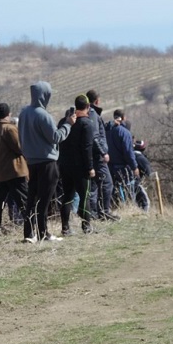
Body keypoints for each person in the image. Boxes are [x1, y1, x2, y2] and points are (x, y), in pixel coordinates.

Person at [18, 81, 75, 243]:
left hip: (31, 162)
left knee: (32, 199)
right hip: (47, 163)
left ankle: (29, 234)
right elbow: (56, 137)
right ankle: (43, 233)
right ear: (45, 96)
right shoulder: (43, 115)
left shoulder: (24, 113)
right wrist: (68, 125)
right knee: (45, 199)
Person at [0, 103, 29, 235]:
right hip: (14, 170)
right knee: (24, 200)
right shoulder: (10, 129)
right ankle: (31, 225)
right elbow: (20, 147)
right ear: (8, 114)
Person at [58, 95, 96, 235]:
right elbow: (87, 148)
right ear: (87, 107)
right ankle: (86, 226)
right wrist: (90, 167)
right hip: (80, 168)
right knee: (84, 196)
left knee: (67, 196)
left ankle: (65, 228)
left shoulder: (65, 121)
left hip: (65, 165)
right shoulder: (87, 124)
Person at [85, 89, 118, 221]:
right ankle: (104, 212)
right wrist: (103, 152)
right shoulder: (93, 114)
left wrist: (110, 125)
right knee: (107, 184)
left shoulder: (89, 113)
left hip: (92, 156)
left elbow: (99, 129)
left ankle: (93, 213)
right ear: (97, 100)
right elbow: (94, 136)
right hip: (98, 156)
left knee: (93, 186)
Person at [105, 109, 140, 207]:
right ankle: (129, 208)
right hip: (123, 167)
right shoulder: (125, 133)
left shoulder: (107, 131)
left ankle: (115, 208)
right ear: (123, 118)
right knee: (128, 189)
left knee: (114, 191)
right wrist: (134, 167)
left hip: (110, 166)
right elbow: (128, 152)